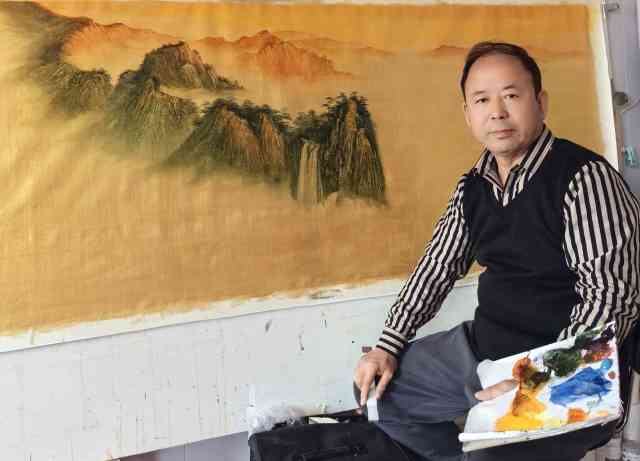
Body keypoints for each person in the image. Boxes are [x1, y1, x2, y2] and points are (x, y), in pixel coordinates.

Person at [353, 41, 640, 461]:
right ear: (468, 114)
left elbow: (610, 301)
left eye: (511, 95)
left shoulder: (585, 179)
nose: (497, 112)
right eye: (482, 100)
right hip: (485, 350)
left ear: (540, 102)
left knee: (491, 454)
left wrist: (534, 384)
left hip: (569, 371)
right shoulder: (472, 187)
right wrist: (387, 345)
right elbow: (436, 268)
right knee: (377, 394)